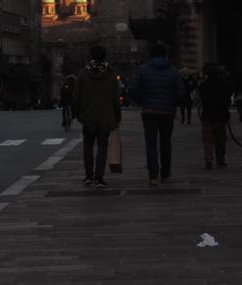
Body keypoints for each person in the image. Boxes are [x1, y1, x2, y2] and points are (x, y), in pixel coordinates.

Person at [130, 43, 185, 185]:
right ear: (166, 55)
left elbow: (133, 89)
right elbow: (181, 92)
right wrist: (172, 103)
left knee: (151, 144)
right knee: (166, 143)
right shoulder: (174, 71)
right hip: (167, 112)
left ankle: (153, 175)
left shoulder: (143, 70)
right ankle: (165, 173)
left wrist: (144, 101)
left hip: (149, 111)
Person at [73, 45, 121, 188]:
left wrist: (76, 113)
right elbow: (115, 98)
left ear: (91, 56)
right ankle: (99, 177)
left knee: (88, 146)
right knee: (102, 147)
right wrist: (117, 116)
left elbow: (76, 96)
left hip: (87, 115)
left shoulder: (83, 73)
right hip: (106, 115)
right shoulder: (111, 74)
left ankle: (88, 176)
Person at [198, 64, 232, 169]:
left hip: (207, 116)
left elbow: (201, 100)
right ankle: (220, 160)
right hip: (220, 116)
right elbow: (227, 101)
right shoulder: (225, 85)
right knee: (220, 139)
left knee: (207, 140)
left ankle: (208, 159)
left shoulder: (203, 86)